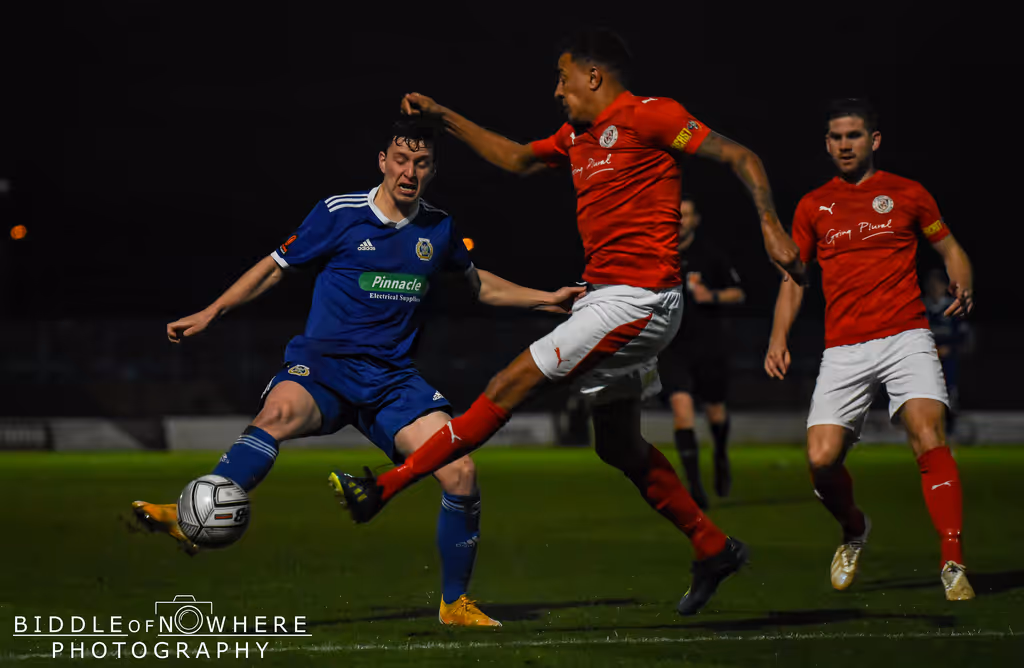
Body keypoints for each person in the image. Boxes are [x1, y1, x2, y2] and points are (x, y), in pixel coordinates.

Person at [334, 28, 805, 617]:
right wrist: (443, 115)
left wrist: (769, 224)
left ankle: (386, 484)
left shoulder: (652, 115)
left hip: (640, 299)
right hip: (607, 299)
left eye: (562, 77)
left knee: (510, 383)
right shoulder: (576, 136)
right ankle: (713, 547)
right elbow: (514, 157)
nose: (556, 90)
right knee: (618, 445)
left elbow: (740, 155)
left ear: (593, 76)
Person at [130, 118, 583, 627]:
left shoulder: (439, 227)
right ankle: (190, 517)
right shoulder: (338, 213)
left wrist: (548, 298)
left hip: (390, 381)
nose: (409, 172)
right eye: (401, 160)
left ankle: (454, 605)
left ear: (433, 170)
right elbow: (275, 266)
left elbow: (480, 286)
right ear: (383, 161)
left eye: (422, 163)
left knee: (461, 472)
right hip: (323, 368)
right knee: (277, 413)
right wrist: (213, 311)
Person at [764, 99, 976, 601]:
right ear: (826, 143)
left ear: (873, 141)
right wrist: (779, 336)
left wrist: (961, 277)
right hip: (844, 347)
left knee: (927, 432)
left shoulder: (907, 193)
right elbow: (795, 280)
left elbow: (948, 245)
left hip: (906, 335)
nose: (844, 144)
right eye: (836, 137)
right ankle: (855, 529)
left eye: (854, 136)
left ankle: (952, 561)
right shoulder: (813, 206)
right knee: (821, 459)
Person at [658, 194, 745, 509]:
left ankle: (720, 455)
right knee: (682, 411)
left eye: (686, 215)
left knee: (715, 412)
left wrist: (714, 296)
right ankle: (695, 488)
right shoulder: (656, 256)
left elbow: (739, 293)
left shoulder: (711, 256)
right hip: (672, 348)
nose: (679, 221)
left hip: (709, 346)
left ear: (695, 220)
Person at [923, 268, 971, 436]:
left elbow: (963, 335)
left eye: (937, 284)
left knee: (949, 394)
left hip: (948, 361)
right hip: (926, 360)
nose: (934, 287)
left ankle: (951, 429)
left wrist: (949, 348)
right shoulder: (921, 307)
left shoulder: (953, 307)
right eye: (931, 284)